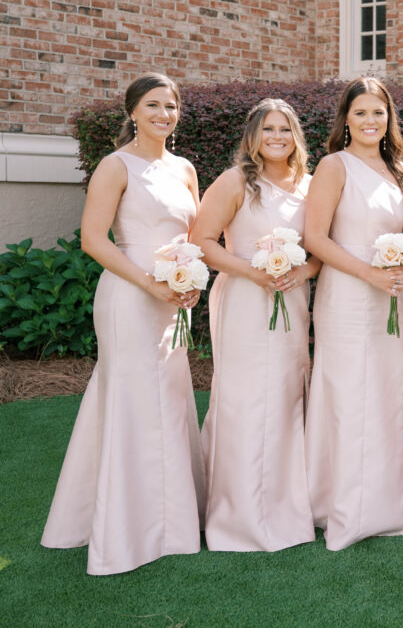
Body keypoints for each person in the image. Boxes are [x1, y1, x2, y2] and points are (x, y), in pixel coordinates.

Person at [41, 73, 206, 575]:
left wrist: (189, 280)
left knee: (170, 396)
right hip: (129, 296)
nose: (163, 114)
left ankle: (173, 521)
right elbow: (95, 239)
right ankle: (122, 528)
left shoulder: (184, 168)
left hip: (174, 296)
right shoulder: (115, 167)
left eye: (171, 106)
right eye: (153, 105)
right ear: (132, 111)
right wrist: (149, 283)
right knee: (131, 396)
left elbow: (193, 234)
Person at [191, 98, 320, 552]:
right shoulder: (235, 182)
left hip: (292, 299)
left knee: (285, 396)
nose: (278, 138)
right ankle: (238, 512)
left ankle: (284, 506)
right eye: (269, 130)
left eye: (285, 130)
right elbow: (201, 242)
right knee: (246, 399)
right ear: (253, 136)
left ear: (296, 135)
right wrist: (254, 271)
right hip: (246, 297)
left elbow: (322, 246)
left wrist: (298, 273)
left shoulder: (311, 184)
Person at [303, 77, 403, 551]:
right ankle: (340, 507)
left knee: (387, 395)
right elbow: (315, 238)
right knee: (348, 395)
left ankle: (385, 504)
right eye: (361, 113)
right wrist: (368, 274)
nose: (371, 121)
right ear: (345, 119)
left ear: (389, 118)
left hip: (394, 299)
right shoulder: (334, 166)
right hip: (348, 295)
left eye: (379, 112)